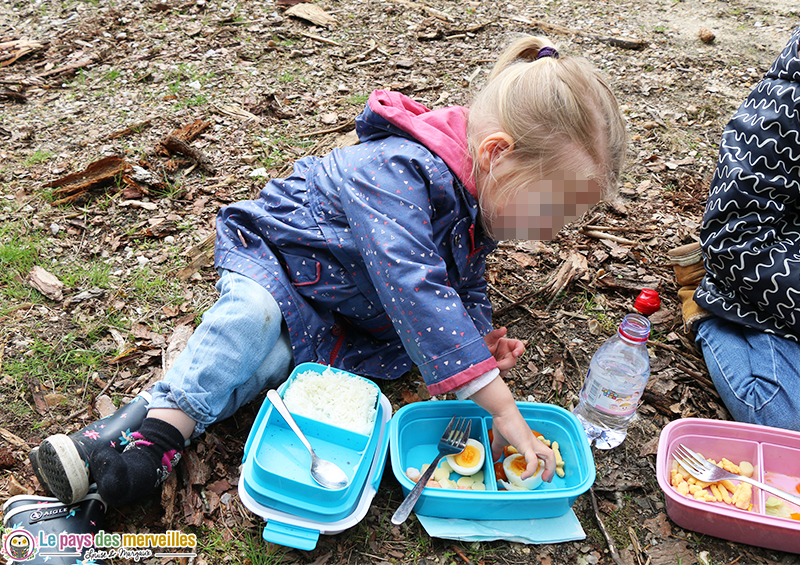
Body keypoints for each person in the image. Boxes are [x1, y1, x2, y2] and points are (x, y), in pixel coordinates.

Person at [35, 35, 628, 506]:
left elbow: (461, 281)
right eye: (553, 209)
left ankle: (119, 432)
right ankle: (161, 436)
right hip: (280, 261)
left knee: (273, 362)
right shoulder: (401, 170)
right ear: (497, 154)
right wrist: (500, 406)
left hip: (334, 305)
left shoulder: (477, 194)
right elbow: (415, 286)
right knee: (253, 319)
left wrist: (476, 340)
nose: (555, 231)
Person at [670, 25, 800, 432]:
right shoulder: (787, 104)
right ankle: (705, 306)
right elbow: (736, 237)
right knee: (782, 417)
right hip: (768, 284)